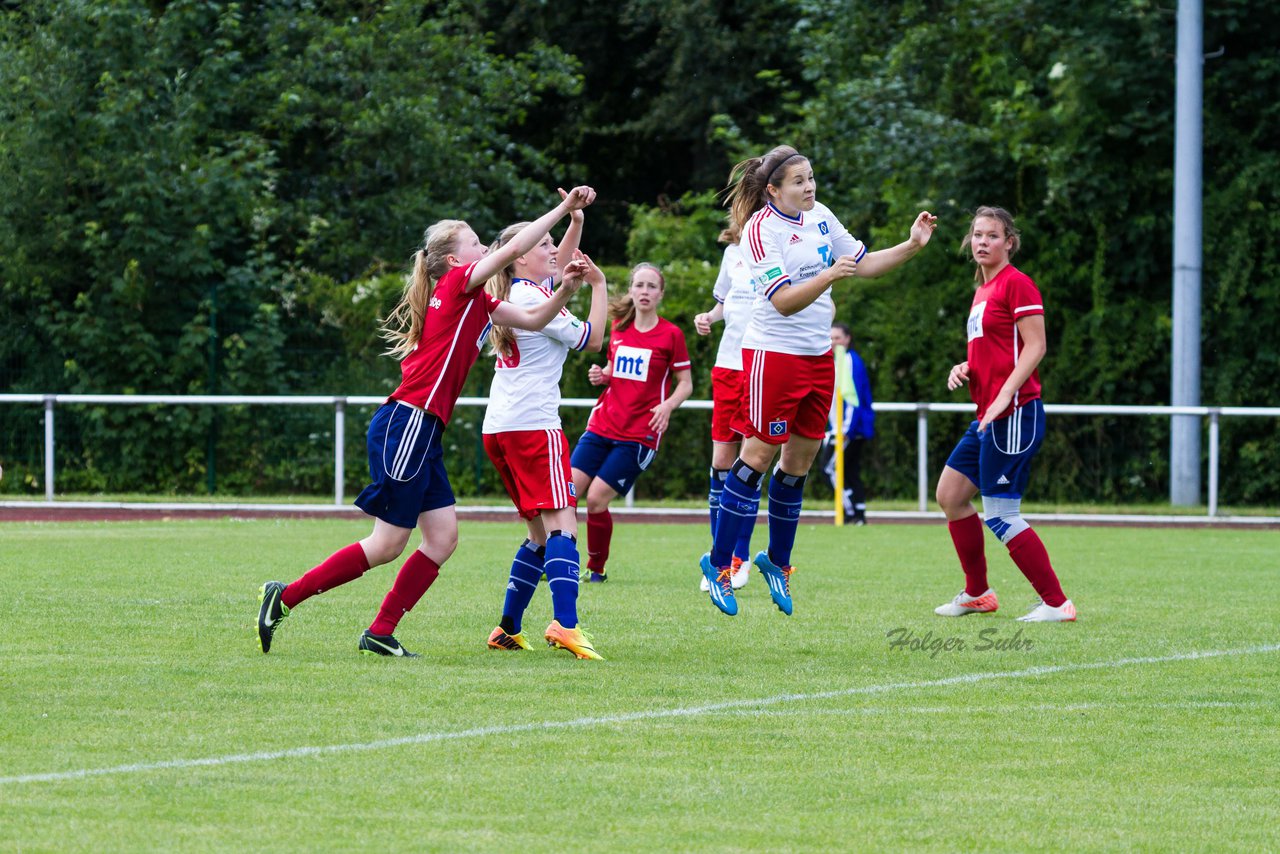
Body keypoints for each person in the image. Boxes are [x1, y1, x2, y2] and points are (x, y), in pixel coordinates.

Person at [255, 185, 597, 657]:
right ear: (456, 262)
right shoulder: (457, 285)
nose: (486, 249)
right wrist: (565, 209)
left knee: (442, 539)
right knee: (387, 543)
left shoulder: (480, 301)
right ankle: (286, 597)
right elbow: (516, 247)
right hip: (407, 423)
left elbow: (538, 318)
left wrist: (570, 287)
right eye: (477, 244)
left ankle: (380, 632)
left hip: (422, 430)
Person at [699, 144, 936, 617]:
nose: (809, 187)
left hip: (818, 357)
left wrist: (911, 246)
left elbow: (863, 264)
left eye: (811, 178)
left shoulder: (821, 215)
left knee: (800, 464)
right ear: (773, 190)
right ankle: (720, 565)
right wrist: (830, 274)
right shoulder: (759, 231)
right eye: (799, 181)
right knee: (757, 457)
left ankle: (778, 563)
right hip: (774, 356)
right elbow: (783, 301)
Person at [933, 206, 1076, 622]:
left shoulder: (1018, 284)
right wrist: (967, 366)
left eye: (992, 236)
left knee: (1000, 514)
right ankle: (977, 593)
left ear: (1008, 242)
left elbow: (1035, 347)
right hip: (988, 417)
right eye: (977, 234)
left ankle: (1056, 604)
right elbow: (996, 352)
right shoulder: (983, 291)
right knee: (951, 496)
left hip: (1013, 414)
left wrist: (1004, 395)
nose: (982, 242)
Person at [481, 210, 609, 660]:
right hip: (533, 426)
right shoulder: (533, 298)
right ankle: (566, 625)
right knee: (563, 527)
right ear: (519, 259)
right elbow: (593, 340)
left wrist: (575, 220)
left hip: (499, 426)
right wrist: (598, 285)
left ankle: (508, 629)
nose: (553, 249)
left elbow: (562, 261)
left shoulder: (521, 293)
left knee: (538, 534)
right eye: (543, 245)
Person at [570, 263, 693, 582]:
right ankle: (559, 562)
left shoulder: (671, 335)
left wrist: (667, 406)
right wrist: (603, 375)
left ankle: (596, 569)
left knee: (595, 500)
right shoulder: (619, 328)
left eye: (652, 286)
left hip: (639, 435)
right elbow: (615, 369)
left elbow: (685, 383)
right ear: (631, 290)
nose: (645, 291)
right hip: (601, 425)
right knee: (567, 493)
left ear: (661, 294)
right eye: (639, 285)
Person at [693, 222, 759, 592]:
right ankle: (718, 557)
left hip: (761, 365)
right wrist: (708, 317)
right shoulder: (732, 254)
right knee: (721, 463)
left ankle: (740, 557)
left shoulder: (779, 248)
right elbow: (724, 303)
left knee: (749, 464)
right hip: (728, 367)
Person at [821, 322, 875, 525]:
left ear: (847, 339)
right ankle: (859, 513)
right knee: (851, 471)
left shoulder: (849, 360)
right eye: (831, 338)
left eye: (837, 338)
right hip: (845, 428)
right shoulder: (838, 361)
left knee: (828, 469)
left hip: (849, 429)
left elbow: (853, 398)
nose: (834, 342)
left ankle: (849, 511)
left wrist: (844, 430)